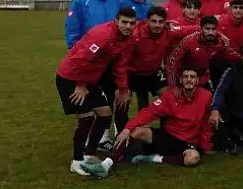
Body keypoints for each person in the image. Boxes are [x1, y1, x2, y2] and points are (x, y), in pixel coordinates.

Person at [80, 68, 214, 178]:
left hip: (188, 142)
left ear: (197, 80)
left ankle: (153, 159)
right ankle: (106, 165)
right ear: (180, 80)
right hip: (168, 137)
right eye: (185, 77)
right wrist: (127, 129)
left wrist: (205, 146)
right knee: (137, 131)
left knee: (193, 158)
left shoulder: (206, 96)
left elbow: (206, 123)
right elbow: (148, 113)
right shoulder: (170, 95)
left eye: (192, 77)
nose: (189, 80)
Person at [55, 7, 135, 176]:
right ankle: (76, 161)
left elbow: (120, 66)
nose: (128, 26)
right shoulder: (103, 34)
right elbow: (82, 59)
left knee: (105, 114)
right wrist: (81, 85)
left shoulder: (127, 40)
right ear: (116, 21)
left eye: (131, 23)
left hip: (90, 79)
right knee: (86, 118)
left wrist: (123, 89)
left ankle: (89, 155)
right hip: (70, 77)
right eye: (124, 22)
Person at [64, 0, 123, 151]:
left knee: (108, 98)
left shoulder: (116, 3)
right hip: (87, 63)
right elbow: (72, 31)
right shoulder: (81, 2)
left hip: (108, 63)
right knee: (85, 100)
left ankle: (102, 138)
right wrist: (78, 58)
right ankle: (86, 136)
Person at [115, 6, 198, 131]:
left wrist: (217, 32)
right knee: (122, 100)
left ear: (165, 22)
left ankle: (167, 131)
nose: (157, 25)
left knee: (169, 98)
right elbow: (121, 63)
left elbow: (192, 29)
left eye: (161, 22)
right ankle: (121, 134)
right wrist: (122, 88)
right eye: (153, 21)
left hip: (153, 73)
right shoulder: (135, 35)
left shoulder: (168, 31)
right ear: (147, 20)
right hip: (133, 73)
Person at [166, 16, 238, 90]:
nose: (210, 32)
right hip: (185, 78)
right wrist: (173, 86)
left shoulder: (221, 42)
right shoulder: (189, 41)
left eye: (213, 29)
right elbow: (172, 61)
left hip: (203, 78)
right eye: (207, 29)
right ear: (201, 29)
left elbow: (233, 56)